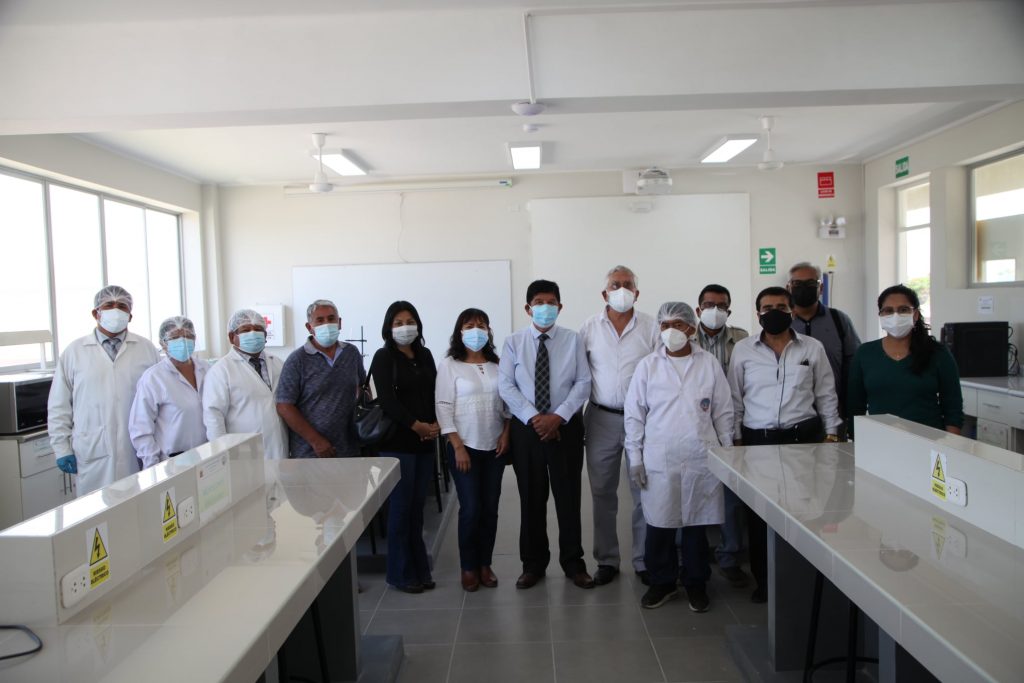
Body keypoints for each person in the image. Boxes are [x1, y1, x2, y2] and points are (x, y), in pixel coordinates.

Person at [727, 286, 841, 603]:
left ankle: (801, 579)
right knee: (760, 515)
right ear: (758, 313)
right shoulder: (744, 350)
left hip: (803, 439)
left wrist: (832, 434)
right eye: (767, 307)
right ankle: (764, 583)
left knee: (805, 509)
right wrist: (737, 439)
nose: (774, 312)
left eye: (781, 306)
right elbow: (735, 398)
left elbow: (826, 394)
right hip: (758, 440)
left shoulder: (812, 348)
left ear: (792, 311)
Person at [625, 302, 734, 612]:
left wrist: (727, 454)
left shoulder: (708, 364)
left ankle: (696, 583)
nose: (671, 331)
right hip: (660, 457)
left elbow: (723, 411)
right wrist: (635, 456)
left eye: (677, 324)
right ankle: (662, 582)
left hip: (701, 456)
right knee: (659, 524)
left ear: (691, 327)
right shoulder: (648, 366)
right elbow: (634, 415)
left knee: (696, 525)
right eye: (664, 325)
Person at [498, 279, 594, 590]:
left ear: (560, 307)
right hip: (527, 429)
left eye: (551, 302)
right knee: (531, 498)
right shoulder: (513, 342)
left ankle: (574, 563)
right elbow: (506, 385)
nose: (545, 308)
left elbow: (583, 382)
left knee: (569, 498)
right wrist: (535, 418)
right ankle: (533, 564)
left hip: (565, 427)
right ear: (528, 308)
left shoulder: (573, 339)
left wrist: (558, 417)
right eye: (539, 302)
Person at [578, 265, 659, 586]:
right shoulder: (589, 328)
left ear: (637, 293)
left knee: (643, 491)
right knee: (602, 492)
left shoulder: (652, 328)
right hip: (601, 418)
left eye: (627, 285)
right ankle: (607, 559)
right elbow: (578, 376)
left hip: (644, 420)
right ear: (604, 293)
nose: (621, 290)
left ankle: (644, 559)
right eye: (615, 285)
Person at [48, 285, 160, 495]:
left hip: (137, 450)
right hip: (92, 451)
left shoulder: (147, 350)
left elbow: (161, 400)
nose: (115, 310)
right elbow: (59, 406)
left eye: (122, 306)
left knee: (139, 507)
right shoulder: (74, 352)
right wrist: (62, 448)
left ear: (130, 315)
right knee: (95, 511)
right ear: (95, 313)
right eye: (109, 305)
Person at [435, 308, 511, 592]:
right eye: (469, 325)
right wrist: (457, 446)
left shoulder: (497, 364)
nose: (476, 330)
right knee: (471, 509)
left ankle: (484, 564)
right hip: (464, 447)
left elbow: (507, 405)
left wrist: (506, 434)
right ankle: (468, 567)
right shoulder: (450, 365)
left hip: (494, 447)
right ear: (460, 331)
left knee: (490, 509)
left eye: (481, 325)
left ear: (489, 331)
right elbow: (443, 407)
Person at [370, 301, 440, 594]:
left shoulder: (425, 354)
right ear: (389, 327)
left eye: (410, 321)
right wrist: (416, 425)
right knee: (400, 510)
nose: (405, 327)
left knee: (417, 510)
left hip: (425, 443)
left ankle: (420, 570)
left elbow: (436, 390)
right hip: (397, 444)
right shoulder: (384, 357)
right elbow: (387, 400)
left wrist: (434, 424)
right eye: (398, 323)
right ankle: (400, 574)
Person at [847, 284, 963, 434]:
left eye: (903, 310)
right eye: (888, 310)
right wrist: (857, 440)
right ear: (881, 316)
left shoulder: (938, 353)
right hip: (880, 439)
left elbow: (953, 406)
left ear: (915, 315)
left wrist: (950, 444)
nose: (895, 315)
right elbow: (855, 406)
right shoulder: (865, 353)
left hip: (929, 439)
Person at [694, 284, 751, 588]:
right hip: (695, 422)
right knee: (692, 489)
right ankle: (692, 554)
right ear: (698, 308)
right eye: (708, 304)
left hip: (730, 422)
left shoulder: (742, 339)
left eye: (721, 305)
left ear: (729, 310)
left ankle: (730, 556)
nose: (714, 311)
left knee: (730, 494)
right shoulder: (684, 336)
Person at [276, 299, 365, 459]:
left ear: (339, 322)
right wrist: (315, 440)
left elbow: (362, 387)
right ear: (309, 327)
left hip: (350, 447)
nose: (327, 324)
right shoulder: (297, 360)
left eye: (331, 319)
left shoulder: (351, 353)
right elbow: (284, 406)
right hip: (310, 451)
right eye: (320, 320)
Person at [203, 308, 289, 460]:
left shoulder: (278, 363)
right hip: (243, 453)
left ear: (265, 335)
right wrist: (222, 454)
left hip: (279, 447)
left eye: (258, 329)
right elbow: (214, 416)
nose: (253, 333)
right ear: (232, 337)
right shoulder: (221, 371)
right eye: (245, 330)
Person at [787, 262, 861, 435]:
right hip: (792, 415)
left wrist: (849, 407)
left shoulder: (839, 320)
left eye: (810, 283)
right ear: (788, 287)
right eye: (797, 284)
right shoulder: (782, 323)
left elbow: (853, 365)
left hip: (834, 410)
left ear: (821, 288)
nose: (804, 288)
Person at [129, 316, 210, 468]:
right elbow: (140, 428)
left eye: (188, 336)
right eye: (175, 337)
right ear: (163, 343)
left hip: (208, 456)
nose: (183, 341)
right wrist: (152, 465)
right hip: (171, 462)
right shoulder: (154, 378)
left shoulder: (206, 369)